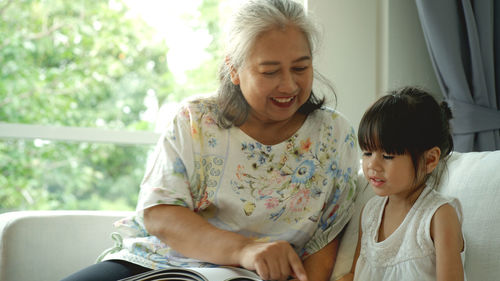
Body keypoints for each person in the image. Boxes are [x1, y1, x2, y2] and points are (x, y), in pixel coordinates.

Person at [61, 0, 360, 280]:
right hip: (159, 263)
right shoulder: (195, 120)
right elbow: (160, 213)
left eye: (300, 68)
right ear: (234, 70)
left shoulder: (334, 135)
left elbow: (327, 237)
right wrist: (244, 249)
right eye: (270, 71)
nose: (289, 84)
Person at [338, 86, 466, 281]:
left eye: (387, 155)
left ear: (430, 160)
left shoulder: (438, 216)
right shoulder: (370, 213)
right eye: (367, 152)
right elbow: (355, 275)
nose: (372, 164)